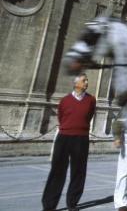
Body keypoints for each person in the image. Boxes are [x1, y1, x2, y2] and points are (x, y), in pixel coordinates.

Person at [42, 73, 96, 211]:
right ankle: (49, 205)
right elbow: (61, 117)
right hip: (64, 137)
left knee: (78, 171)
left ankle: (72, 203)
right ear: (76, 84)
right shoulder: (64, 100)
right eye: (84, 80)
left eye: (86, 80)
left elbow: (89, 116)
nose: (87, 82)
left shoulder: (91, 100)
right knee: (57, 171)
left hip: (81, 138)